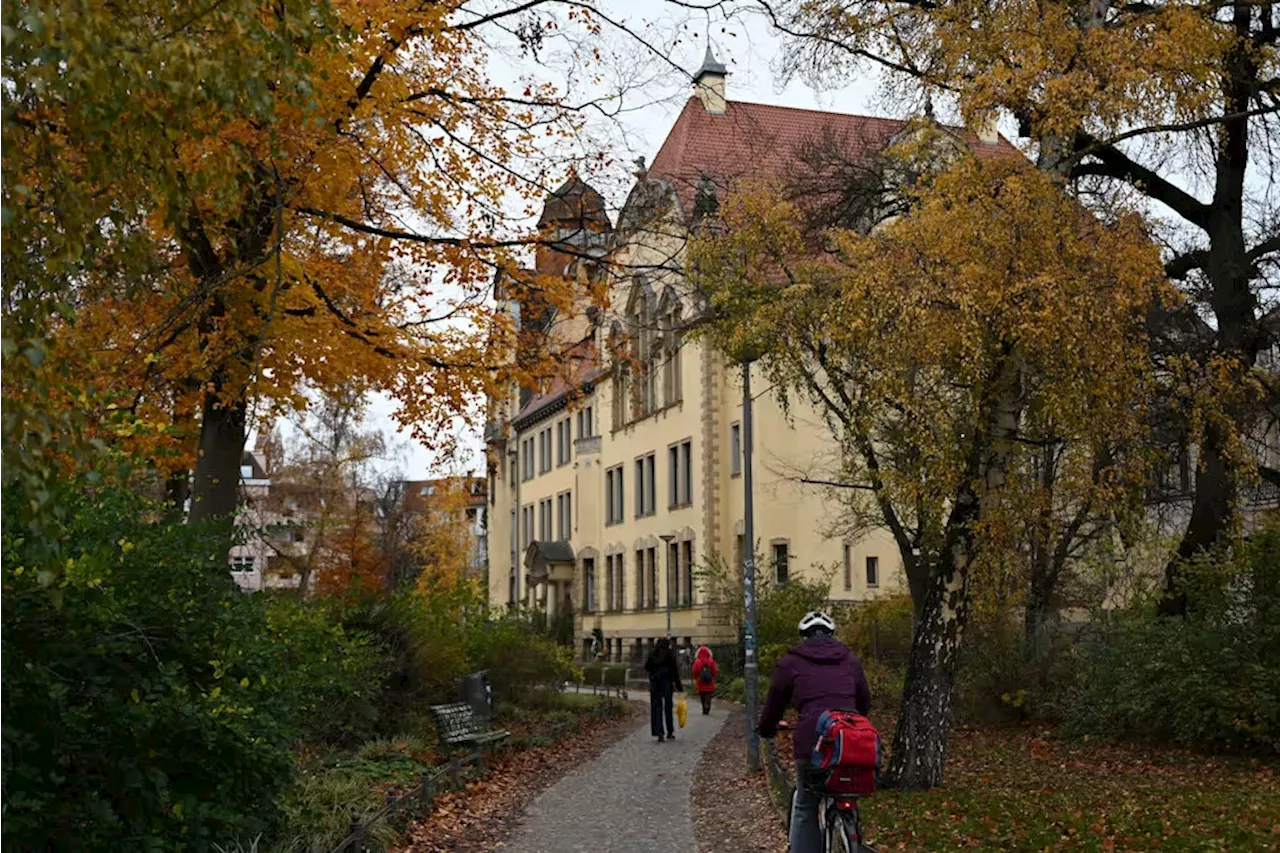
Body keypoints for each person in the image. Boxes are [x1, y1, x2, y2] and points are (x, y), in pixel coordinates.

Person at [758, 611, 871, 853]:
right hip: (849, 739)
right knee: (847, 787)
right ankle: (851, 831)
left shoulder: (791, 661)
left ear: (804, 637)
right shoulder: (850, 660)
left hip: (812, 741)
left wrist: (767, 729)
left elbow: (775, 702)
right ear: (831, 635)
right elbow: (864, 702)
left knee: (805, 803)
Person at [644, 637, 683, 742]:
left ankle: (659, 732)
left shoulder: (653, 653)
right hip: (667, 682)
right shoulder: (669, 654)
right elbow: (675, 671)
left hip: (655, 683)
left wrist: (654, 670)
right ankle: (670, 731)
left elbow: (647, 667)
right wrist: (679, 686)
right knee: (668, 707)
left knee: (656, 707)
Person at [691, 645, 719, 715]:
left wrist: (696, 678)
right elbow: (714, 671)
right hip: (709, 681)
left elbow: (694, 671)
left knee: (702, 695)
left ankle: (704, 707)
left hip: (700, 681)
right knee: (708, 695)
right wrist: (712, 677)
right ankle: (708, 706)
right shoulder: (711, 661)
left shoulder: (697, 661)